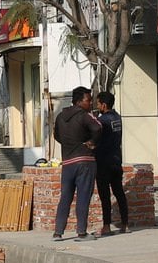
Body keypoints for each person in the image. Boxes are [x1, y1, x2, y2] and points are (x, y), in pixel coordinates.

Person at [52, 85, 102, 241]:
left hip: (67, 162)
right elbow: (99, 128)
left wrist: (69, 145)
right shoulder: (84, 115)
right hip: (84, 161)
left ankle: (58, 232)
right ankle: (81, 232)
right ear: (80, 101)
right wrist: (91, 142)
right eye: (88, 100)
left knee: (65, 197)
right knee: (83, 197)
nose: (91, 103)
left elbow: (57, 136)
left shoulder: (60, 116)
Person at [94, 91, 129, 236]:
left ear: (103, 104)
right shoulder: (117, 117)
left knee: (105, 196)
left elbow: (95, 137)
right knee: (119, 193)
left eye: (98, 103)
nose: (97, 106)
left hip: (103, 162)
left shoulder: (102, 121)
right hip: (116, 161)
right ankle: (125, 224)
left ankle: (106, 226)